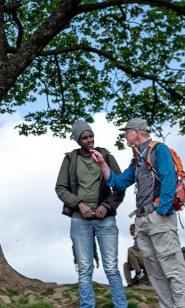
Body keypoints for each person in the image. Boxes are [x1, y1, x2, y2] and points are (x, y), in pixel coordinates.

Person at [92, 118, 185, 308]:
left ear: (137, 131)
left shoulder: (159, 150)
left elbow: (168, 179)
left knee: (173, 268)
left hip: (159, 217)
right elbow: (120, 182)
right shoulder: (137, 158)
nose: (124, 135)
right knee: (154, 272)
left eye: (126, 131)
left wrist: (163, 210)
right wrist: (102, 165)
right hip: (142, 220)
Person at [55, 120, 128, 308]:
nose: (89, 140)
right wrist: (79, 204)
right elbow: (60, 188)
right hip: (80, 221)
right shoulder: (70, 159)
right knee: (84, 270)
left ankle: (121, 305)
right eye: (84, 138)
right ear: (78, 140)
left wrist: (107, 206)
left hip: (106, 221)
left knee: (111, 268)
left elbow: (120, 185)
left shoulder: (105, 155)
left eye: (91, 136)